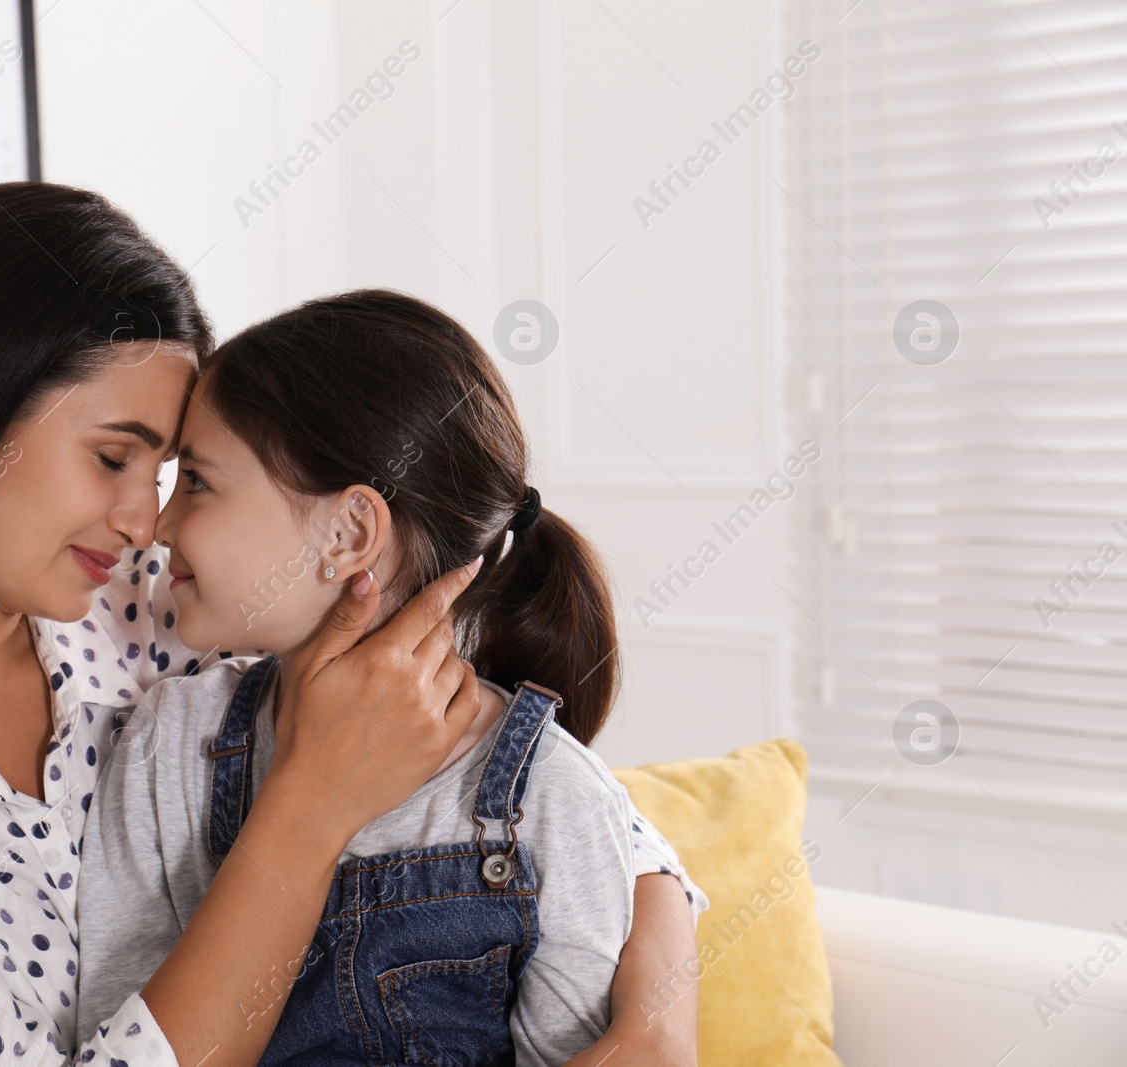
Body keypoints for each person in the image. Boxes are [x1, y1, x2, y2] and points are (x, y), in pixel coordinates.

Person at [0, 183, 699, 1067]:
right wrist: (308, 806)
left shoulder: (144, 612)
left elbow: (552, 805)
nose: (145, 521)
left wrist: (656, 1019)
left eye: (176, 474)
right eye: (113, 456)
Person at [76, 291, 707, 1065]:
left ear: (348, 534)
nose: (157, 526)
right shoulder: (166, 747)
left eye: (198, 481)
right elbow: (126, 1041)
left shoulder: (554, 797)